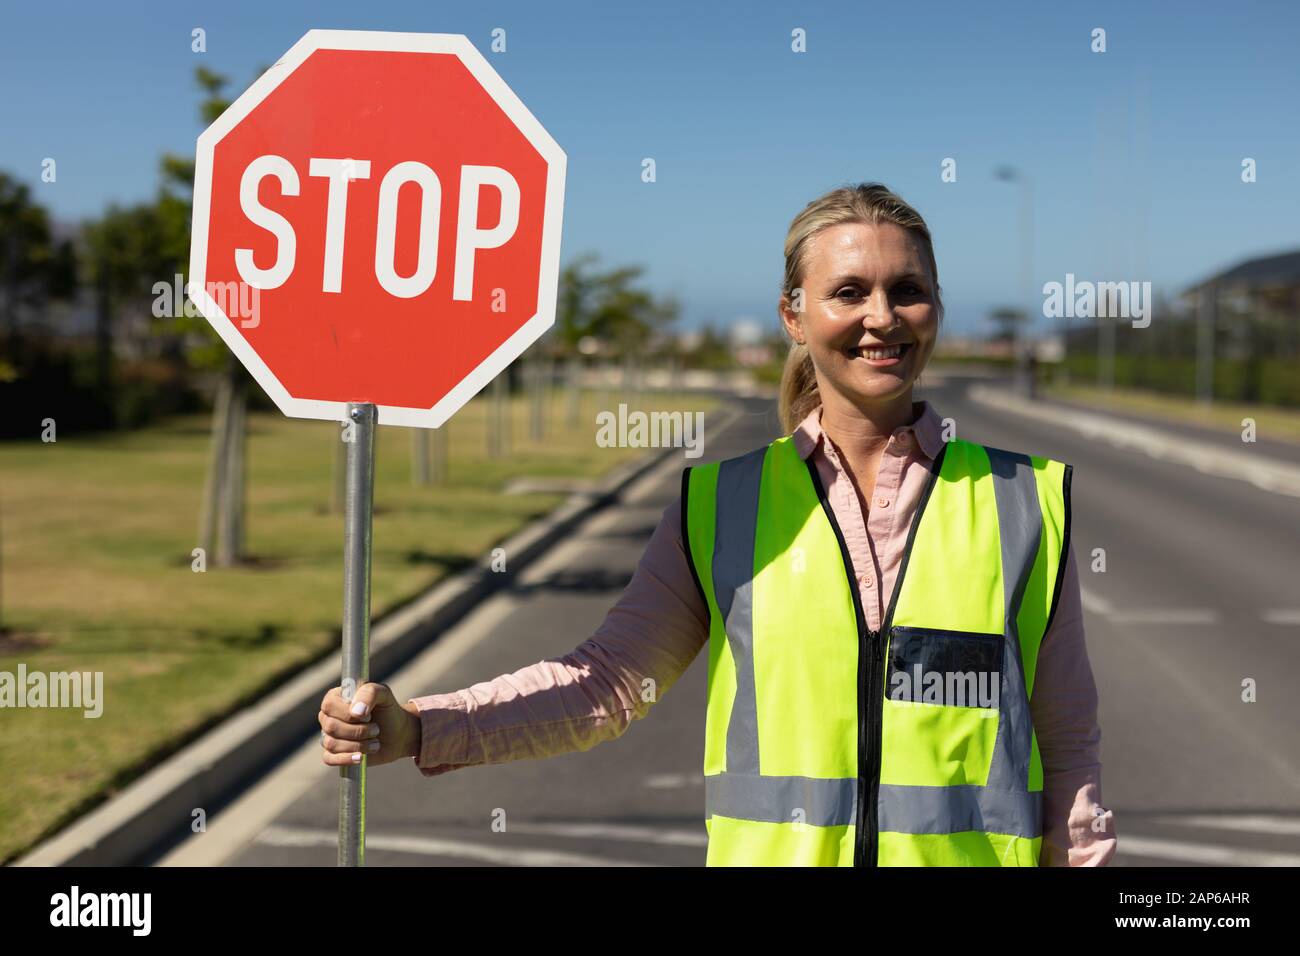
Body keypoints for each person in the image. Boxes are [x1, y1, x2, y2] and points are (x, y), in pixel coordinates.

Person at [318, 182, 1116, 867]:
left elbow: (1067, 742)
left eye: (907, 290)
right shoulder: (721, 506)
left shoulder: (1025, 499)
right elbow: (606, 687)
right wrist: (422, 727)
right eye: (849, 292)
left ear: (935, 307)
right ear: (794, 316)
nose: (883, 317)